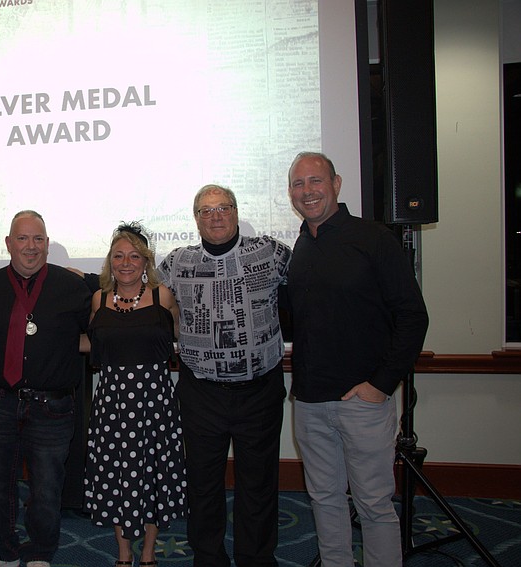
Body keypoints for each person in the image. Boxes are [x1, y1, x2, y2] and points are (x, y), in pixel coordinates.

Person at [285, 152, 428, 567]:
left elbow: (412, 316)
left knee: (373, 506)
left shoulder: (374, 238)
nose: (307, 191)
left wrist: (380, 385)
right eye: (298, 184)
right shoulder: (302, 245)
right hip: (310, 401)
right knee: (325, 500)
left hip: (362, 401)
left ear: (337, 183)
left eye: (315, 181)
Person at [158, 184, 291, 567]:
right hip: (201, 393)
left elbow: (315, 281)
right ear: (195, 218)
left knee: (259, 484)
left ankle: (256, 558)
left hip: (260, 390)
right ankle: (208, 557)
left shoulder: (270, 252)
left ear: (235, 212)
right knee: (203, 484)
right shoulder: (176, 262)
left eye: (223, 208)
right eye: (206, 210)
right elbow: (142, 293)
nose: (215, 216)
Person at [0, 210, 91, 567]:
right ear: (8, 243)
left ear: (48, 245)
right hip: (0, 402)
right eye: (22, 238)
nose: (30, 247)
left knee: (47, 490)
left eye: (38, 239)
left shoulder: (70, 286)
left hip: (52, 408)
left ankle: (40, 554)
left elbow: (98, 329)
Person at [85, 222, 186, 567]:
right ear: (109, 261)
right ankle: (124, 551)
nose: (126, 263)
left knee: (155, 475)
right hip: (112, 403)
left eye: (134, 256)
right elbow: (92, 344)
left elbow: (180, 338)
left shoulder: (164, 297)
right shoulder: (98, 299)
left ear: (146, 262)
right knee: (117, 476)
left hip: (156, 401)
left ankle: (148, 551)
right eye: (118, 256)